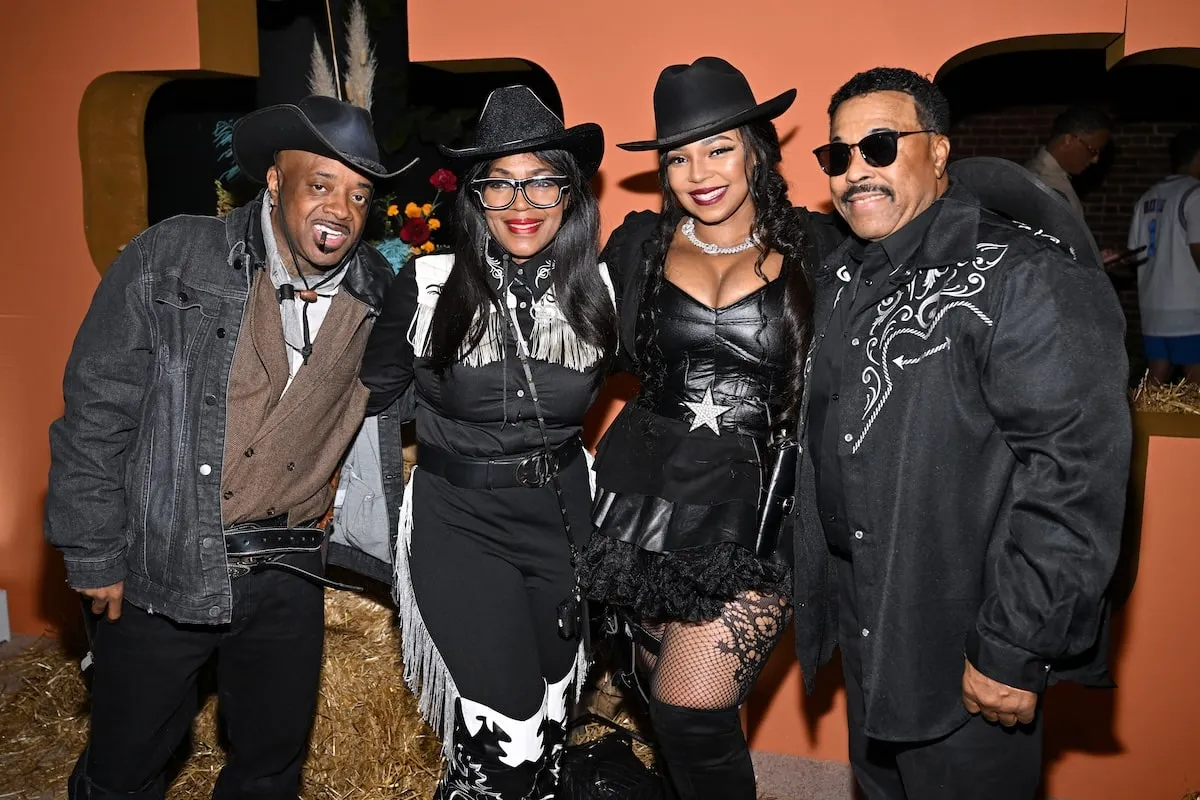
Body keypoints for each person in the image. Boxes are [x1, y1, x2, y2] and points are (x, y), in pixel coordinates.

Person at [45, 95, 408, 798]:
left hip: (287, 572)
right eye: (322, 184)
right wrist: (92, 551)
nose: (341, 208)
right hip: (162, 562)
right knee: (125, 766)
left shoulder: (378, 291)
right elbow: (97, 406)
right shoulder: (174, 255)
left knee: (270, 768)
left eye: (360, 194)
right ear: (275, 179)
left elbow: (402, 399)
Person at [794, 66, 1131, 799]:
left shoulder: (1023, 275)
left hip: (966, 635)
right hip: (870, 620)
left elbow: (1074, 475)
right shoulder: (849, 279)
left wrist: (1016, 643)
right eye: (838, 156)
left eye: (879, 146)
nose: (856, 171)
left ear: (940, 153)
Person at [579, 57, 838, 800]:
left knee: (690, 705)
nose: (699, 171)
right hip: (645, 496)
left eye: (718, 148)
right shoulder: (637, 247)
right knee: (657, 688)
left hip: (762, 510)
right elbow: (581, 351)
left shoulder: (824, 249)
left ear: (756, 148)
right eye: (678, 156)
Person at [358, 84, 616, 799]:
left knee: (556, 717)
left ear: (570, 191)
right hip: (460, 521)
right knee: (505, 734)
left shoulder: (603, 289)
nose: (521, 201)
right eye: (499, 184)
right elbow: (367, 395)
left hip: (564, 517)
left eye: (541, 180)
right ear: (474, 198)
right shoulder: (429, 284)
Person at [1127, 127, 1200, 384]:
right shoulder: (1195, 194)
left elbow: (1135, 256)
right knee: (1195, 387)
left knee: (1155, 380)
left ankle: (1143, 425)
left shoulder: (1147, 197)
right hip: (1190, 311)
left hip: (1153, 309)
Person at [1024, 105, 1112, 257]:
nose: (1095, 159)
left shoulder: (1051, 177)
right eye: (1093, 151)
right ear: (1068, 140)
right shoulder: (1045, 185)